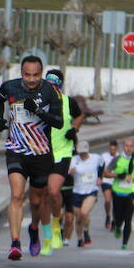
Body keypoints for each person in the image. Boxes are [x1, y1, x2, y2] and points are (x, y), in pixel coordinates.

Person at [0, 55, 63, 260]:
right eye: (27, 75)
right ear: (21, 73)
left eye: (36, 75)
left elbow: (58, 123)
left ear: (41, 73)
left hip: (41, 153)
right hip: (16, 149)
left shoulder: (51, 92)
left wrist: (39, 111)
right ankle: (15, 243)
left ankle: (33, 228)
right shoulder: (10, 87)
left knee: (37, 202)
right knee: (16, 195)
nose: (31, 80)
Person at [41, 67, 84, 254]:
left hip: (63, 152)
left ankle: (57, 225)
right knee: (42, 197)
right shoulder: (40, 102)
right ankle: (47, 236)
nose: (51, 88)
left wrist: (74, 128)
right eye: (48, 84)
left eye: (54, 85)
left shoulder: (68, 102)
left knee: (53, 191)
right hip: (42, 152)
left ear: (60, 86)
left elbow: (80, 115)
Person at [69, 139, 104, 247]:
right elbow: (70, 172)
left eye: (84, 152)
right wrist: (71, 173)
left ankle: (86, 231)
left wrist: (100, 177)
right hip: (77, 191)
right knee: (79, 218)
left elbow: (102, 165)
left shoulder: (95, 158)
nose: (83, 154)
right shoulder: (74, 159)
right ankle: (80, 238)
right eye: (81, 152)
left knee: (84, 213)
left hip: (91, 190)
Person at [107, 138, 134, 245]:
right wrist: (118, 175)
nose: (128, 148)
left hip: (131, 194)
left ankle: (125, 243)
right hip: (118, 192)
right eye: (127, 146)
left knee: (128, 219)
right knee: (118, 217)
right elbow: (106, 172)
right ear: (123, 147)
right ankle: (118, 226)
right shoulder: (117, 159)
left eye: (131, 146)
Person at [101, 139, 119, 231]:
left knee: (116, 204)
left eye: (114, 149)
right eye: (111, 149)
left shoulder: (120, 157)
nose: (112, 151)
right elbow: (99, 168)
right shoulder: (104, 156)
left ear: (117, 149)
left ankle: (114, 221)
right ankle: (108, 215)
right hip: (106, 181)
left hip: (116, 182)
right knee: (108, 200)